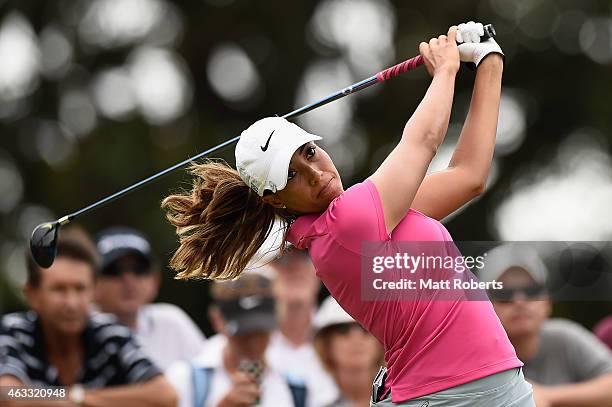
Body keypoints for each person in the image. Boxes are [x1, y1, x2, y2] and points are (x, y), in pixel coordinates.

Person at [161, 21, 534, 406]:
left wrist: (489, 59)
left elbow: (468, 176)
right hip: (452, 395)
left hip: (478, 387)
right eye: (292, 176)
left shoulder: (365, 215)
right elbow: (423, 140)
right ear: (275, 200)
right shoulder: (348, 223)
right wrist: (446, 70)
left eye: (308, 153)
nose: (316, 173)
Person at [0, 227, 177, 407]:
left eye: (80, 288)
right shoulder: (13, 330)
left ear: (94, 291)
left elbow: (166, 395)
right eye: (59, 289)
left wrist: (77, 396)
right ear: (32, 295)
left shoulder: (110, 333)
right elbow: (8, 395)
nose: (72, 303)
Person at [480, 244, 612, 407]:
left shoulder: (565, 337)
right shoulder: (473, 355)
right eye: (504, 293)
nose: (520, 301)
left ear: (547, 302)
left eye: (531, 290)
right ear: (483, 306)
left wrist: (547, 396)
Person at [166, 272, 305, 407]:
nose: (253, 343)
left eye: (261, 331)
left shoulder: (296, 384)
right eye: (243, 332)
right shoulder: (185, 379)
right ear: (217, 319)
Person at [94, 226, 205, 370]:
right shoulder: (77, 330)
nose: (129, 281)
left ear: (155, 279)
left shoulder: (171, 321)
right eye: (113, 271)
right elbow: (60, 393)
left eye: (139, 269)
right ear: (90, 282)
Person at [266, 248, 338, 407]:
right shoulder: (242, 345)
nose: (295, 268)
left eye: (307, 259)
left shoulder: (344, 336)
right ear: (266, 272)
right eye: (283, 260)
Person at [313, 296, 384, 407]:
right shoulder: (304, 398)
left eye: (366, 327)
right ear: (325, 344)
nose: (356, 338)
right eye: (343, 330)